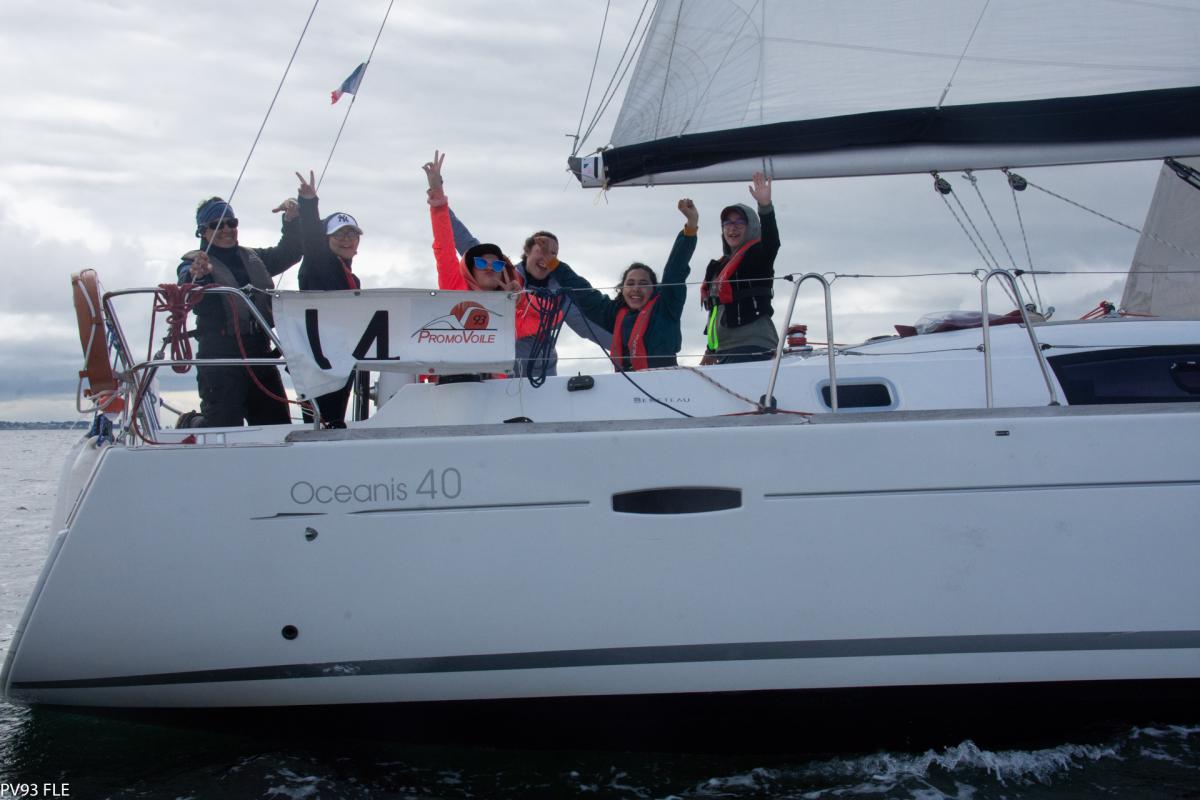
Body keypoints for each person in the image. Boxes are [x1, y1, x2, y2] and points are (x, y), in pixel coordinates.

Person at [177, 195, 303, 427]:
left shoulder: (254, 258)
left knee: (277, 428)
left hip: (260, 356)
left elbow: (291, 252)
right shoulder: (193, 264)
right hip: (220, 359)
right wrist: (197, 274)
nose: (227, 229)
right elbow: (187, 279)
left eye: (231, 223)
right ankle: (190, 422)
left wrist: (292, 220)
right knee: (222, 427)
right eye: (217, 225)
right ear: (203, 231)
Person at [422, 152, 541, 381]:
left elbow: (550, 317)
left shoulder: (509, 310)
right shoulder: (454, 286)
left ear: (503, 271)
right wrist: (437, 194)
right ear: (471, 268)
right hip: (453, 388)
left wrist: (521, 300)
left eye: (496, 263)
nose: (488, 267)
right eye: (480, 262)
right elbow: (444, 245)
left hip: (495, 395)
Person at [448, 212, 613, 376]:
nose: (546, 257)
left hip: (544, 375)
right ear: (527, 251)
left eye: (553, 253)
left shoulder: (561, 295)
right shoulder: (506, 277)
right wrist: (442, 208)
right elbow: (468, 244)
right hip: (506, 372)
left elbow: (588, 327)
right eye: (541, 250)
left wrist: (624, 347)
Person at [551, 199, 698, 371]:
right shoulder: (615, 313)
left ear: (654, 289)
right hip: (625, 382)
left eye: (643, 283)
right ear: (622, 289)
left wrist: (691, 226)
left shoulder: (666, 307)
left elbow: (675, 269)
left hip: (665, 380)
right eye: (630, 283)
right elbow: (585, 294)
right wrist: (554, 264)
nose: (636, 288)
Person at [294, 169, 362, 427]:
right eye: (338, 234)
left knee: (334, 422)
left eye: (351, 234)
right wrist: (308, 203)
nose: (346, 239)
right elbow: (311, 239)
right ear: (326, 239)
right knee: (320, 425)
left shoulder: (353, 278)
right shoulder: (318, 262)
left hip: (341, 358)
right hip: (317, 360)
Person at [700, 171, 780, 364]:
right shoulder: (718, 267)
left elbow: (772, 242)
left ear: (752, 226)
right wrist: (709, 351)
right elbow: (716, 311)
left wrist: (765, 206)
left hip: (753, 346)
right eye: (727, 223)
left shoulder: (758, 256)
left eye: (740, 222)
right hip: (722, 350)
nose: (732, 228)